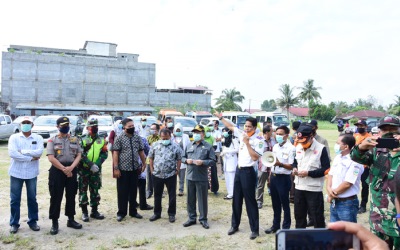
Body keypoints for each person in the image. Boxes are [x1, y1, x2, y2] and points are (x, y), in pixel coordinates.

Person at [350, 115, 400, 249]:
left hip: (398, 222)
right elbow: (355, 156)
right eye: (385, 129)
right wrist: (361, 146)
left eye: (393, 129)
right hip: (378, 219)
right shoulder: (376, 151)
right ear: (379, 132)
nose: (389, 132)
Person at [217, 113, 264, 240]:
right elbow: (231, 127)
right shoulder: (242, 134)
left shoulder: (259, 140)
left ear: (254, 128)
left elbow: (255, 157)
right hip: (239, 171)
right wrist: (220, 118)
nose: (246, 128)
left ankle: (255, 229)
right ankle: (234, 225)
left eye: (249, 126)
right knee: (236, 200)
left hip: (248, 173)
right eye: (245, 126)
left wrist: (247, 143)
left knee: (250, 202)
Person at [47, 116, 83, 235]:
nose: (65, 127)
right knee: (56, 196)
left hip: (71, 170)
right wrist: (64, 169)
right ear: (57, 127)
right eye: (63, 126)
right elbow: (51, 158)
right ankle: (54, 222)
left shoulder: (74, 139)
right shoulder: (52, 140)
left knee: (71, 195)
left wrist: (71, 168)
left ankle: (71, 220)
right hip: (58, 171)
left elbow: (78, 154)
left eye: (67, 125)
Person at [8, 116, 44, 234]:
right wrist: (30, 158)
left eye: (28, 123)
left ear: (32, 125)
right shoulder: (14, 137)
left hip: (31, 173)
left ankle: (33, 221)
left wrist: (22, 152)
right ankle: (14, 223)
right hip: (16, 172)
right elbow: (12, 153)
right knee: (14, 199)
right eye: (24, 123)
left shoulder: (38, 138)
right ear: (20, 125)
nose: (26, 124)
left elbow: (39, 152)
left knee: (32, 198)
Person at [292, 124, 330, 229]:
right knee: (299, 216)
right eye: (300, 141)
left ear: (311, 137)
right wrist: (294, 168)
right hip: (299, 187)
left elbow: (326, 169)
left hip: (314, 189)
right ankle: (301, 241)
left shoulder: (321, 149)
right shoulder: (298, 146)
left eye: (304, 141)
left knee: (317, 217)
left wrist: (309, 173)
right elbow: (295, 162)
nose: (302, 143)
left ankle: (319, 242)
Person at [182, 125, 216, 229]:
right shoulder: (189, 145)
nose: (196, 134)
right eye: (195, 132)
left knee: (202, 200)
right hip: (190, 176)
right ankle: (191, 218)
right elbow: (183, 157)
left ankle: (203, 219)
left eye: (199, 132)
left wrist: (203, 162)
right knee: (190, 199)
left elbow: (213, 161)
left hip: (201, 177)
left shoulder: (208, 146)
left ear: (203, 134)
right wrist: (186, 161)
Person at [112, 118, 146, 222]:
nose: (132, 128)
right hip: (123, 169)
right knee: (122, 192)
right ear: (124, 127)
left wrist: (144, 163)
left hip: (135, 169)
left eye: (133, 126)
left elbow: (141, 151)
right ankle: (121, 212)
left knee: (133, 191)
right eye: (129, 127)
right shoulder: (119, 138)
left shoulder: (137, 137)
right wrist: (116, 168)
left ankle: (133, 211)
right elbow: (116, 153)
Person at [264, 126, 295, 234]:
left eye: (281, 134)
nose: (278, 136)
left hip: (284, 178)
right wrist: (269, 177)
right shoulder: (276, 146)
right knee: (275, 203)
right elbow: (272, 163)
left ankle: (286, 227)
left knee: (285, 204)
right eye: (276, 133)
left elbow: (291, 166)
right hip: (274, 177)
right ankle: (275, 225)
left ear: (287, 135)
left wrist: (280, 164)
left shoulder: (291, 148)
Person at [327, 135, 363, 223]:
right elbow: (330, 175)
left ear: (346, 146)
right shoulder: (338, 157)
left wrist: (331, 195)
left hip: (347, 203)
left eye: (338, 143)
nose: (336, 145)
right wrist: (328, 189)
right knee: (335, 232)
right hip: (335, 202)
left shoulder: (356, 161)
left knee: (348, 233)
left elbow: (347, 183)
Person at [148, 128, 182, 223]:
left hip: (171, 174)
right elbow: (151, 157)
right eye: (163, 138)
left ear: (170, 136)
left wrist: (177, 169)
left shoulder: (175, 146)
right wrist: (151, 170)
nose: (165, 140)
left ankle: (171, 214)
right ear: (160, 136)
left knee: (172, 195)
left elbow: (179, 158)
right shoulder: (155, 145)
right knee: (157, 195)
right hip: (157, 174)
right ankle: (157, 213)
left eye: (166, 138)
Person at [78, 118, 108, 222]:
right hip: (84, 169)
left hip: (96, 170)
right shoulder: (82, 139)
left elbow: (104, 153)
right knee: (83, 190)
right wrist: (90, 164)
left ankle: (94, 211)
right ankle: (84, 212)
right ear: (87, 128)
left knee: (95, 189)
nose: (95, 128)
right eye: (92, 127)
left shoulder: (102, 139)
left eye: (96, 126)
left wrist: (97, 164)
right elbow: (80, 154)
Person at [353, 119, 372, 214]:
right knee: (352, 183)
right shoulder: (355, 136)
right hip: (355, 166)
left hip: (365, 167)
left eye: (361, 126)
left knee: (365, 186)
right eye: (358, 126)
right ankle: (354, 204)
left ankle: (363, 205)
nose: (359, 128)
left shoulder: (370, 137)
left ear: (366, 127)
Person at [256, 125, 276, 209]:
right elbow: (257, 153)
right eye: (271, 131)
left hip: (273, 165)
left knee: (274, 184)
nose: (273, 132)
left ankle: (275, 201)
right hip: (263, 166)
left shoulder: (273, 140)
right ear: (267, 132)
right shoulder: (259, 141)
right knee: (261, 185)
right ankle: (259, 201)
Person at [220, 127, 239, 200]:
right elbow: (224, 149)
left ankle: (233, 194)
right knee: (228, 179)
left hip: (232, 161)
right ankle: (229, 193)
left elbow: (237, 150)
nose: (224, 133)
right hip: (226, 161)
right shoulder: (225, 140)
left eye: (225, 131)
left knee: (232, 179)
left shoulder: (234, 140)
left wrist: (228, 151)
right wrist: (223, 153)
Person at [173, 123, 190, 196]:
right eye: (176, 130)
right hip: (173, 160)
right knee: (173, 177)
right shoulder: (172, 137)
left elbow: (188, 146)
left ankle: (181, 190)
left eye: (179, 130)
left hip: (182, 159)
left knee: (181, 177)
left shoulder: (185, 136)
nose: (178, 131)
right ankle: (172, 190)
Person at [146, 123, 160, 199]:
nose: (152, 130)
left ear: (157, 130)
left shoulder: (160, 138)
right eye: (151, 129)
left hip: (158, 161)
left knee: (158, 177)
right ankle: (149, 191)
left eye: (153, 129)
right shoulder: (148, 138)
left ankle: (158, 192)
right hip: (149, 160)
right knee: (149, 177)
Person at [204, 125, 219, 194]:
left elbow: (215, 146)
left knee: (213, 174)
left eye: (209, 131)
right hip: (204, 159)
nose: (208, 132)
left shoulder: (212, 138)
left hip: (211, 158)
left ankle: (214, 189)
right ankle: (205, 189)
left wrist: (209, 151)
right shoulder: (202, 139)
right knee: (204, 175)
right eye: (207, 131)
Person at [289, 120, 301, 203]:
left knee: (292, 179)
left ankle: (292, 196)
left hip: (293, 159)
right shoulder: (302, 135)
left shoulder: (292, 137)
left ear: (293, 128)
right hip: (299, 158)